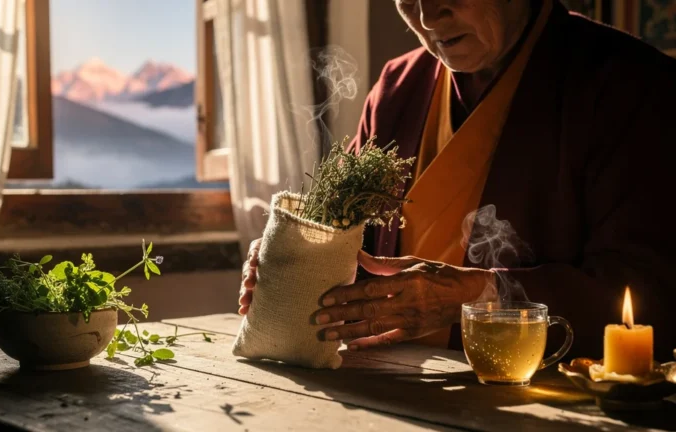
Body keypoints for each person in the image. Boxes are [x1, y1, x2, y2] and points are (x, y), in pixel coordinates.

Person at [239, 0, 676, 363]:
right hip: (384, 384)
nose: (429, 16)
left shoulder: (627, 82)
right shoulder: (398, 88)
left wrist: (483, 296)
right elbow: (356, 247)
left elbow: (652, 291)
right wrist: (296, 260)